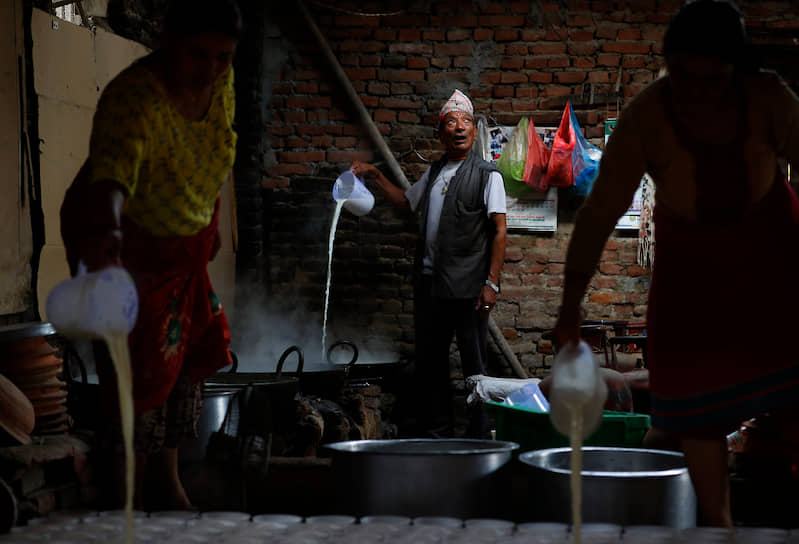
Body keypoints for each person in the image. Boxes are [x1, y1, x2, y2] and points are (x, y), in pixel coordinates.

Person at [553, 0, 799, 527]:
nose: (701, 95)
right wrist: (570, 307)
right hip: (693, 279)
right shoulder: (649, 116)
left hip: (772, 269)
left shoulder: (770, 100)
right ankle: (716, 527)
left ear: (738, 68)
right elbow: (598, 214)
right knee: (688, 418)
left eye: (716, 80)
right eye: (688, 78)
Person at [59, 0, 241, 510]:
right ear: (166, 41)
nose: (211, 69)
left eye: (224, 57)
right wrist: (108, 233)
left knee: (186, 362)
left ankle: (167, 480)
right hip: (126, 239)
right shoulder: (134, 97)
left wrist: (211, 215)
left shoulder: (221, 83)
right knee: (139, 374)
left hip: (184, 243)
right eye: (198, 55)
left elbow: (217, 148)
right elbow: (113, 175)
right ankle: (126, 501)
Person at [351, 90, 507, 438]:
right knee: (432, 368)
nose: (460, 128)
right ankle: (439, 436)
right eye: (451, 122)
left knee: (475, 370)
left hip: (469, 291)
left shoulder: (487, 175)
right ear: (441, 132)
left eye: (466, 121)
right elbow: (408, 203)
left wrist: (491, 283)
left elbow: (499, 232)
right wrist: (375, 176)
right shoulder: (436, 171)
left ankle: (479, 438)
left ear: (474, 129)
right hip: (430, 288)